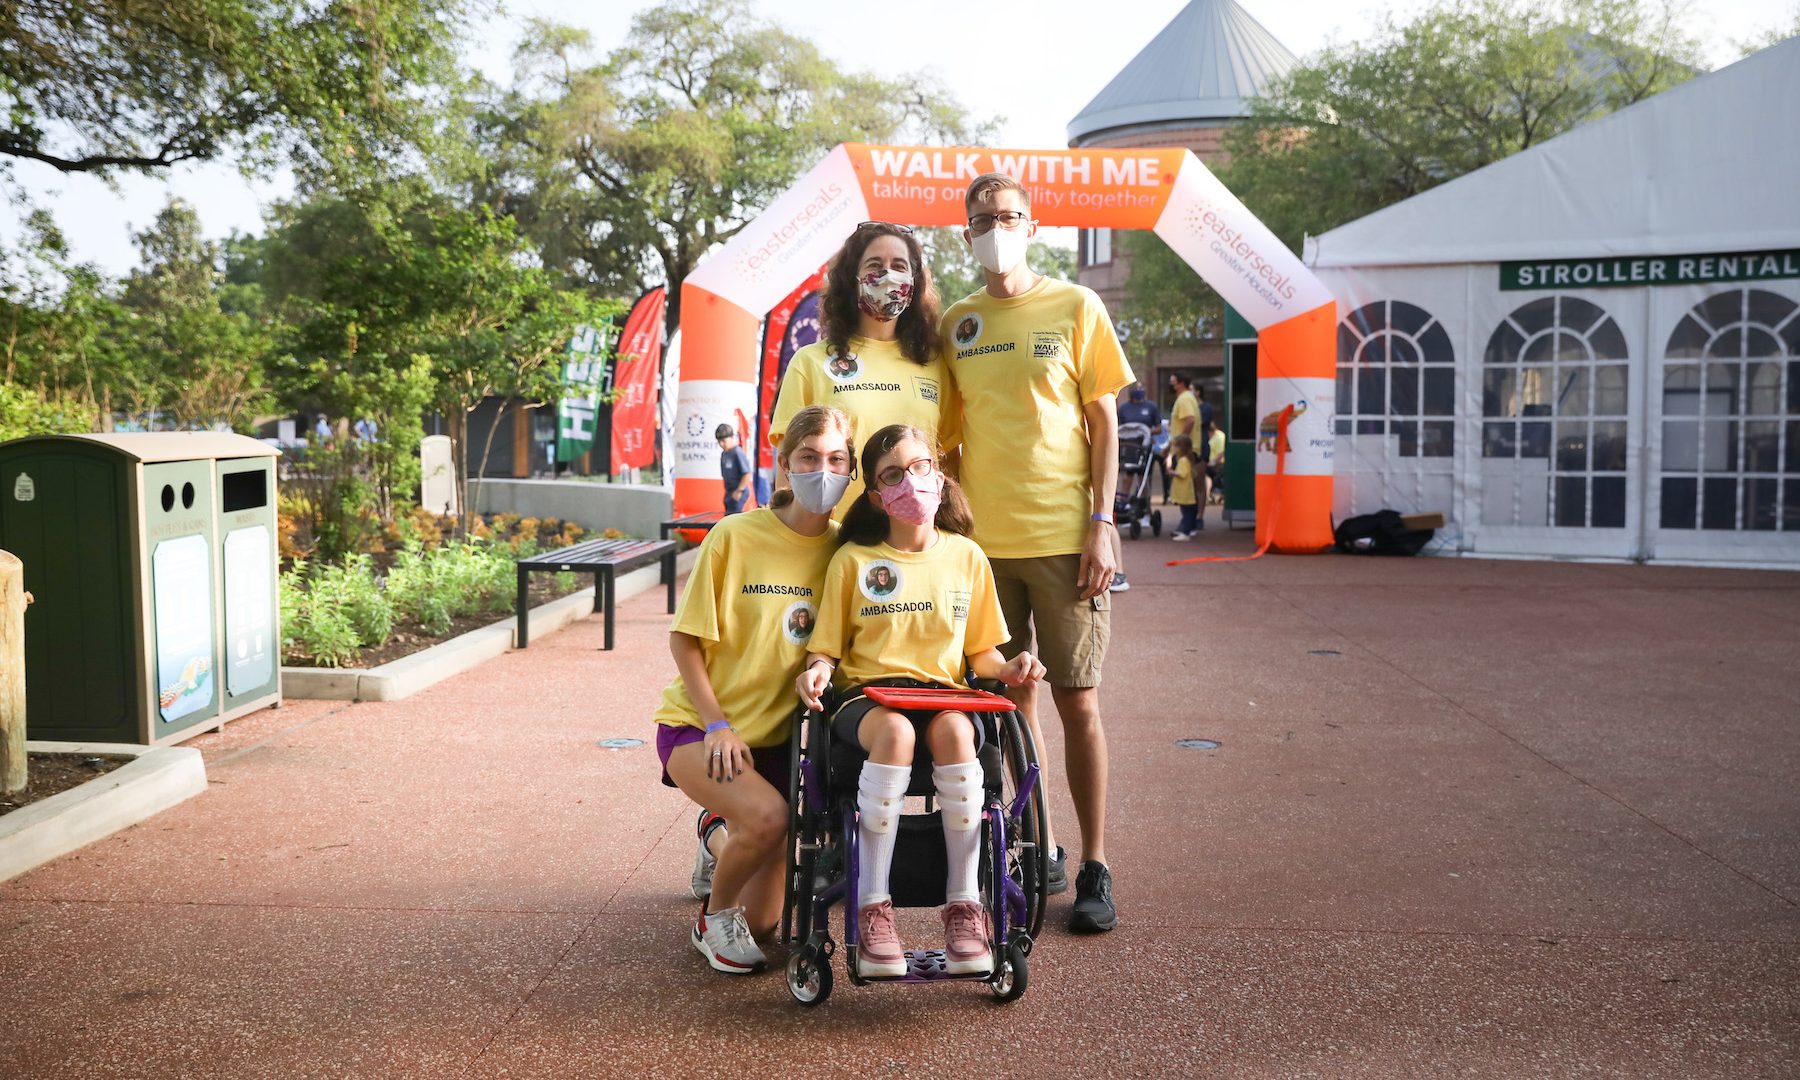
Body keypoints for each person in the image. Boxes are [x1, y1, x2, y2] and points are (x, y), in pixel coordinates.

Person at [941, 172, 1128, 933]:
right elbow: (947, 440)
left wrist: (1103, 521)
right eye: (983, 219)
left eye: (1010, 216)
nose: (997, 227)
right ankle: (1041, 843)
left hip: (1065, 542)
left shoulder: (1077, 306)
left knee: (1077, 703)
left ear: (1033, 224)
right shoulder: (957, 324)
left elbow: (1104, 423)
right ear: (966, 234)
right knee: (1009, 704)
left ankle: (1095, 862)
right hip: (985, 553)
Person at [796, 423, 1045, 978]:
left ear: (939, 474)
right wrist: (815, 673)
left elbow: (982, 654)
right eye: (891, 475)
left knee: (957, 732)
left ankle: (965, 906)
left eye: (919, 467)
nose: (910, 483)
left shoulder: (966, 557)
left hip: (946, 694)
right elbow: (827, 650)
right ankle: (873, 907)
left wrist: (1011, 667)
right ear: (876, 495)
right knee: (896, 732)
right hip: (868, 698)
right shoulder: (854, 562)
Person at [655, 405, 856, 974]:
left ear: (850, 469)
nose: (824, 469)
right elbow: (685, 642)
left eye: (837, 459)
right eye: (810, 457)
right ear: (784, 466)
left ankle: (718, 832)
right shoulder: (734, 536)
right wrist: (717, 724)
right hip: (700, 726)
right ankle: (710, 919)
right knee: (772, 821)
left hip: (773, 745)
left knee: (766, 923)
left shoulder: (847, 553)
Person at [769, 222, 960, 520]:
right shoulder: (810, 362)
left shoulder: (934, 362)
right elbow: (786, 474)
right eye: (875, 264)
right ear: (851, 278)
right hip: (833, 540)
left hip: (917, 542)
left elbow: (948, 463)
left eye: (899, 265)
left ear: (914, 280)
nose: (888, 275)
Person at [1167, 435, 1202, 540]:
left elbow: (1182, 473)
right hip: (1186, 491)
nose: (1174, 449)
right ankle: (1188, 529)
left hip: (1185, 491)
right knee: (1189, 511)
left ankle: (1185, 532)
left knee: (1187, 512)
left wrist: (1171, 471)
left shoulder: (1183, 460)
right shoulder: (1187, 459)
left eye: (1176, 446)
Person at [716, 424, 752, 515]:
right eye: (719, 441)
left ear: (732, 437)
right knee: (728, 517)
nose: (721, 444)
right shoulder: (724, 454)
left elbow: (747, 474)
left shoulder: (737, 452)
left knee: (735, 517)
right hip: (729, 492)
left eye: (724, 441)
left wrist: (739, 490)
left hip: (738, 492)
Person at [1205, 419, 1226, 505]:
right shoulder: (1212, 437)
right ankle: (1207, 495)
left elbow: (1221, 453)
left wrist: (1212, 462)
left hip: (1218, 464)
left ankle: (1207, 495)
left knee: (1205, 474)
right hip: (1210, 462)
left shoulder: (1220, 437)